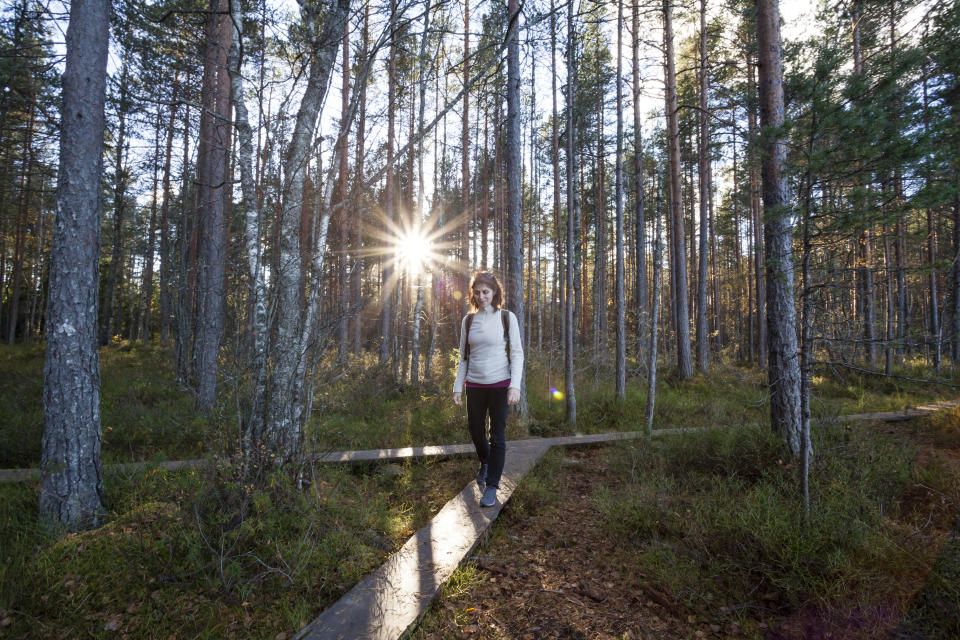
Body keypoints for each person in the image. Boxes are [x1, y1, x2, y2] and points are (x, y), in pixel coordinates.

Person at [453, 271, 524, 507]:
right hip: (474, 385)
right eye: (477, 292)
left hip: (500, 384)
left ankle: (492, 486)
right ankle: (485, 462)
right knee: (475, 430)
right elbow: (464, 357)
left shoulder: (506, 317)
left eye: (486, 292)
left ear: (494, 292)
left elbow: (517, 353)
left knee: (498, 436)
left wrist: (514, 386)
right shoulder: (469, 321)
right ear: (473, 294)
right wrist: (457, 387)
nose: (482, 296)